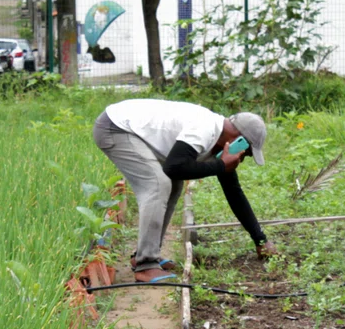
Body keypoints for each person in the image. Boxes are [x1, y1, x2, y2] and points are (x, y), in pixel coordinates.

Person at [93, 99, 279, 282]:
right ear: (238, 139)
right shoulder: (204, 130)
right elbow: (173, 168)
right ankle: (145, 264)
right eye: (246, 151)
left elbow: (233, 192)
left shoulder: (219, 143)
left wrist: (260, 240)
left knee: (174, 185)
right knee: (158, 185)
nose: (243, 157)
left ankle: (146, 255)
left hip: (125, 126)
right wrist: (220, 166)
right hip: (115, 128)